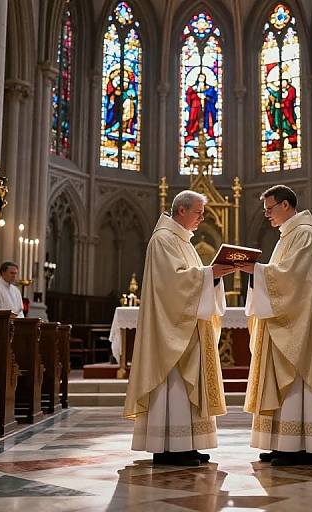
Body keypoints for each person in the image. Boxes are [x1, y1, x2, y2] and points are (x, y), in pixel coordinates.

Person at [237, 185, 312, 466]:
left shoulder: (305, 235)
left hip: (300, 326)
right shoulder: (289, 235)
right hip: (283, 322)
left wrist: (257, 270)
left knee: (297, 381)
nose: (267, 215)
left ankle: (302, 447)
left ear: (286, 205)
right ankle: (283, 443)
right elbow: (282, 277)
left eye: (270, 209)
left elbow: (294, 279)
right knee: (282, 382)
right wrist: (259, 272)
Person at [123, 190, 235, 466]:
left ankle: (187, 444)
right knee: (174, 386)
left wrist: (213, 277)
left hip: (188, 328)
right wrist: (211, 273)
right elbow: (173, 284)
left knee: (186, 388)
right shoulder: (163, 240)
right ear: (182, 210)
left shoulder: (182, 241)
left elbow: (191, 280)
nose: (202, 218)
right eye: (198, 212)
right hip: (170, 332)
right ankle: (169, 447)